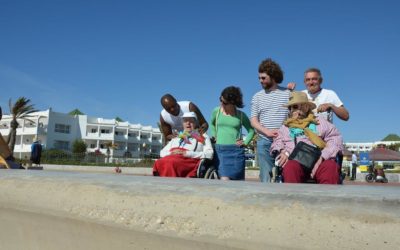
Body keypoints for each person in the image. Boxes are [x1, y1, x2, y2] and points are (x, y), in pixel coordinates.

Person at [271, 91, 343, 184]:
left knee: (330, 166)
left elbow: (335, 139)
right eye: (290, 107)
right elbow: (277, 142)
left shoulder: (319, 122)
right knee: (291, 166)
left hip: (319, 159)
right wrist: (282, 152)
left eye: (295, 106)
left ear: (306, 107)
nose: (292, 110)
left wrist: (323, 156)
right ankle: (292, 198)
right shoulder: (285, 127)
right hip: (295, 161)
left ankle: (327, 197)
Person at [250, 58, 291, 183]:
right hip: (264, 141)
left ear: (273, 76)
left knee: (286, 173)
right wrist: (266, 132)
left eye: (263, 78)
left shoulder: (288, 93)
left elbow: (294, 116)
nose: (260, 81)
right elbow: (253, 120)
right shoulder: (257, 97)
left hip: (284, 141)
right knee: (265, 176)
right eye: (259, 78)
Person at [210, 86, 255, 181]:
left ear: (233, 103)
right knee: (224, 179)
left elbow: (251, 131)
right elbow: (212, 124)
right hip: (220, 151)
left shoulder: (242, 116)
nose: (221, 104)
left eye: (224, 102)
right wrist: (214, 134)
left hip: (236, 151)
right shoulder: (216, 112)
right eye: (220, 100)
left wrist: (245, 142)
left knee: (237, 182)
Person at [153, 112, 213, 177]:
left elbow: (209, 154)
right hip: (172, 158)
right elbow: (162, 152)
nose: (188, 123)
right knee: (158, 162)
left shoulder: (202, 136)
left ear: (196, 123)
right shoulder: (178, 136)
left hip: (189, 160)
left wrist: (187, 153)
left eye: (191, 121)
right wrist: (171, 153)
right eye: (185, 121)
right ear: (182, 124)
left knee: (171, 162)